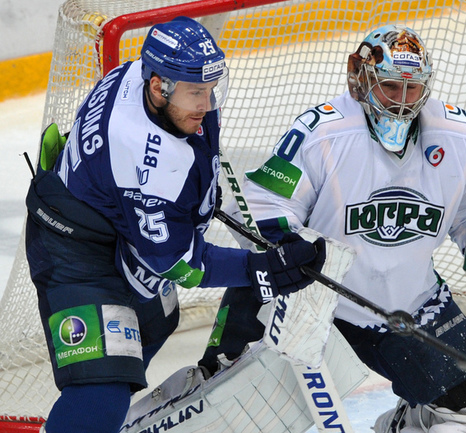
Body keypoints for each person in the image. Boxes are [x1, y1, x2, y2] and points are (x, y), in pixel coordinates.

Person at [197, 24, 466, 432]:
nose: (402, 102)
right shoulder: (323, 132)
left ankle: (404, 424)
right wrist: (291, 247)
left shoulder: (463, 137)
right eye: (390, 87)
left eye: (412, 89)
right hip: (311, 300)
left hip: (408, 302)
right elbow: (266, 204)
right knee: (231, 407)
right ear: (361, 80)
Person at [24, 17, 325, 433]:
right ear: (158, 87)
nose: (206, 103)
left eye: (210, 88)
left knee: (153, 325)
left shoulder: (140, 76)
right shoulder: (146, 161)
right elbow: (179, 264)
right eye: (195, 92)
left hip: (113, 221)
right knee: (101, 391)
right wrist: (262, 269)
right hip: (74, 249)